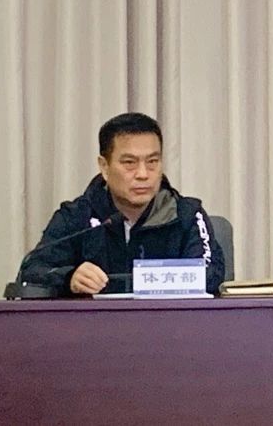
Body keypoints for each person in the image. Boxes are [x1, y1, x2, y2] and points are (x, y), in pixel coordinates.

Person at [18, 112, 225, 296]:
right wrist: (69, 278)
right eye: (129, 163)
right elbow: (32, 271)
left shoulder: (187, 215)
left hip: (168, 325)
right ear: (104, 167)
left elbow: (211, 273)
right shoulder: (76, 217)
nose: (143, 174)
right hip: (95, 326)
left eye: (152, 162)